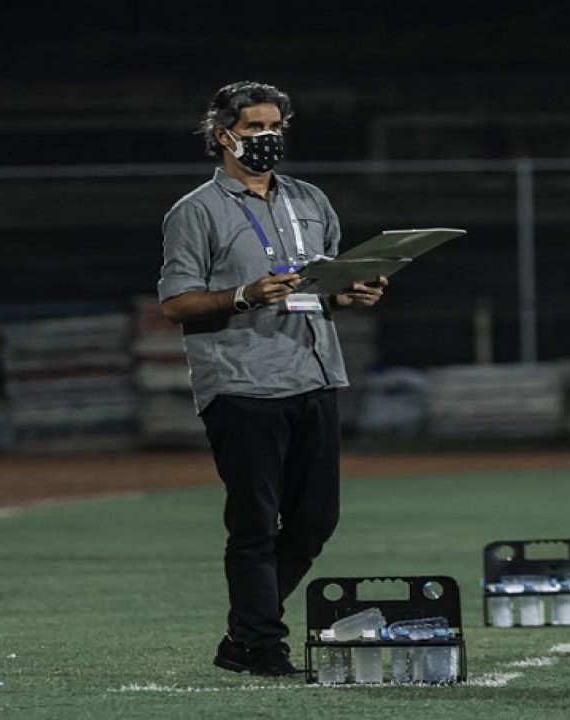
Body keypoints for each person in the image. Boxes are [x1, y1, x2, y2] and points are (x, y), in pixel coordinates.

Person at [158, 81, 387, 676]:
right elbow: (176, 304)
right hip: (240, 382)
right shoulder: (195, 212)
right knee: (255, 522)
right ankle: (263, 646)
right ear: (222, 135)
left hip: (313, 372)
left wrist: (353, 292)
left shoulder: (310, 199)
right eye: (255, 127)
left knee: (315, 521)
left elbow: (322, 285)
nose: (267, 137)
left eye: (275, 127)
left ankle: (243, 633)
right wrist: (243, 294)